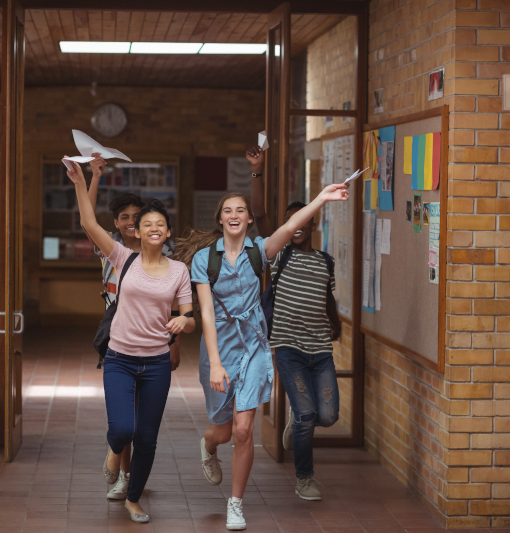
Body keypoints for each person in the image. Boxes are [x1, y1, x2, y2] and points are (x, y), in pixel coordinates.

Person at [173, 179, 348, 531]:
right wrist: (216, 363)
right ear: (220, 220)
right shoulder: (205, 259)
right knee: (222, 433)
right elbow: (205, 313)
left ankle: (235, 503)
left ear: (250, 219)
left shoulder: (259, 251)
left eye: (240, 210)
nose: (234, 215)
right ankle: (208, 445)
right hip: (218, 349)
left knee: (242, 430)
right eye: (228, 211)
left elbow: (289, 227)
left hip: (253, 346)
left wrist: (322, 199)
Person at [66, 159, 196, 523]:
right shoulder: (123, 258)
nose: (153, 229)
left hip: (156, 363)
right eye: (146, 224)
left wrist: (181, 326)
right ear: (136, 231)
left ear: (167, 232)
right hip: (120, 358)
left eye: (160, 225)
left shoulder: (179, 270)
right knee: (123, 428)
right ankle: (112, 452)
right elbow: (89, 223)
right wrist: (82, 180)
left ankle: (134, 497)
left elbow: (189, 316)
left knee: (148, 438)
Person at [247, 145, 342, 502]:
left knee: (327, 416)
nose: (296, 227)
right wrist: (258, 170)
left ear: (313, 224)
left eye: (302, 220)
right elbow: (259, 213)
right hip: (288, 347)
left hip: (320, 349)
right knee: (307, 414)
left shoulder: (325, 262)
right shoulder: (279, 253)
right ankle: (304, 478)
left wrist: (335, 323)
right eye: (291, 222)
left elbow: (328, 297)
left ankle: (298, 423)